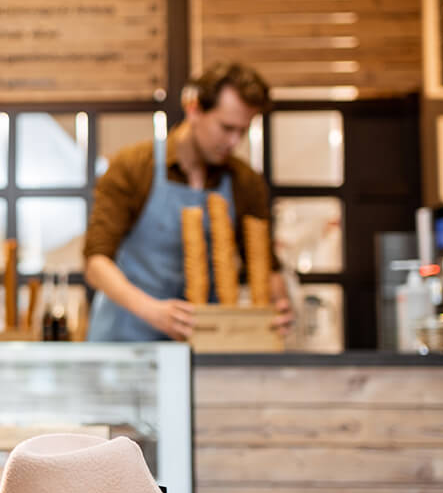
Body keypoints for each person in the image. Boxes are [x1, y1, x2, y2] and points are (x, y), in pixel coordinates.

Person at [84, 62, 293, 342]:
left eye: (242, 131)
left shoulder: (245, 182)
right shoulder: (133, 167)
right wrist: (153, 311)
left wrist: (278, 307)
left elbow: (264, 264)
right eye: (226, 127)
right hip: (126, 339)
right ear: (193, 109)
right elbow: (96, 263)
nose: (234, 141)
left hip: (205, 343)